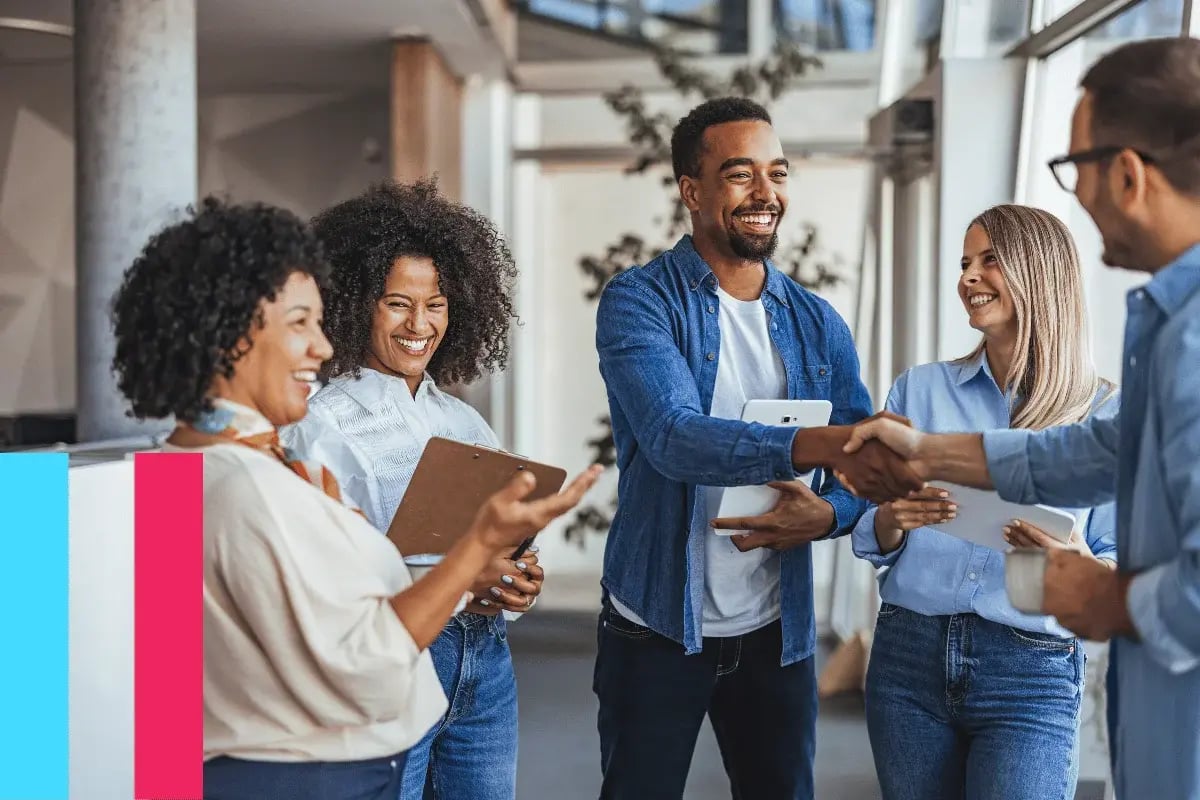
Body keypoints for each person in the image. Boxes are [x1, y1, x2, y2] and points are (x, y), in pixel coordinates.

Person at [109, 197, 600, 800]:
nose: (320, 348)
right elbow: (367, 661)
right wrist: (473, 552)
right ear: (233, 331)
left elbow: (177, 689)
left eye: (318, 322)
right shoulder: (257, 481)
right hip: (311, 762)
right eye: (299, 323)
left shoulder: (189, 469)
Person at [842, 37, 1200, 800]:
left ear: (1129, 173)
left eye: (1074, 168)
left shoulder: (1189, 340)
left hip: (1052, 673)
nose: (1075, 195)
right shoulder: (1166, 324)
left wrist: (1100, 592)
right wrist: (927, 452)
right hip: (920, 655)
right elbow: (1089, 455)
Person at [592, 96, 921, 800]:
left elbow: (857, 472)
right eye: (741, 175)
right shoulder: (640, 301)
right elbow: (674, 437)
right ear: (693, 190)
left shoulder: (815, 322)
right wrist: (815, 442)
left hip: (776, 630)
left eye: (777, 173)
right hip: (656, 626)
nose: (766, 194)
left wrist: (827, 516)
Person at [851, 204, 1117, 800]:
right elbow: (872, 529)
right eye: (965, 262)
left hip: (1031, 670)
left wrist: (1076, 560)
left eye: (989, 260)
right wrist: (893, 519)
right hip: (909, 656)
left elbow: (1121, 560)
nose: (968, 277)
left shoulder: (1103, 413)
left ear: (1040, 273)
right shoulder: (919, 389)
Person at [281, 180, 534, 800]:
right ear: (356, 302)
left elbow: (498, 541)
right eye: (397, 303)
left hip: (486, 663)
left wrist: (518, 578)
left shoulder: (465, 423)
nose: (420, 325)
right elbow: (330, 582)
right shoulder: (322, 423)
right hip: (399, 660)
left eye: (437, 305)